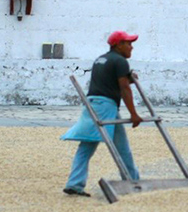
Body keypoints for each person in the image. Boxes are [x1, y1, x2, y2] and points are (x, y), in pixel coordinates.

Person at [61, 30, 143, 196]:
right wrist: (134, 114)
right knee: (116, 147)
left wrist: (128, 77)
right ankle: (132, 181)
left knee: (92, 145)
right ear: (118, 45)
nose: (131, 47)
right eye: (128, 43)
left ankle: (75, 183)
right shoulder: (120, 61)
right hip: (106, 106)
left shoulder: (101, 59)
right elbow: (124, 88)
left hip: (93, 103)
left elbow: (111, 81)